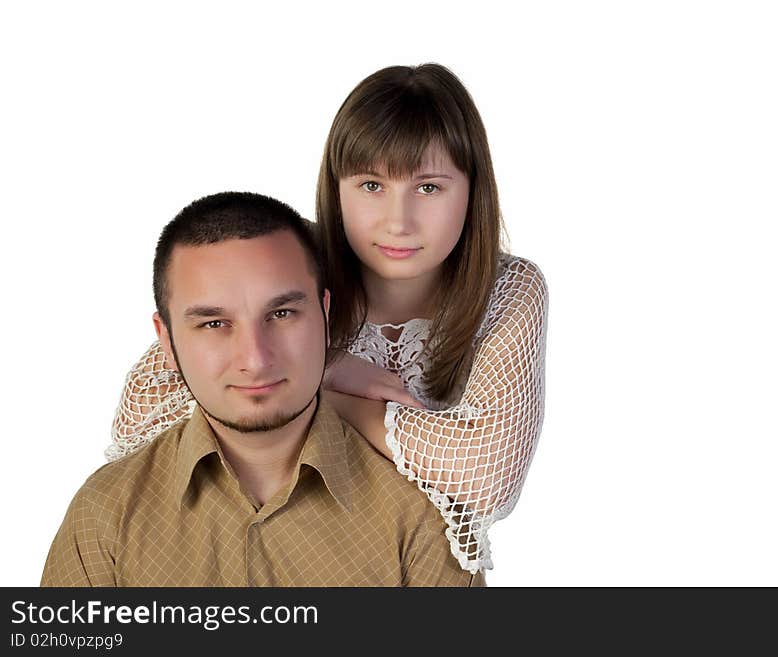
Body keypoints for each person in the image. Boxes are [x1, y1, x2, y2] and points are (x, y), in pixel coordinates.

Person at [109, 64, 548, 573]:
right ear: (337, 188)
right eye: (370, 185)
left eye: (428, 188)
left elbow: (486, 478)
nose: (398, 222)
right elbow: (142, 411)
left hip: (399, 563)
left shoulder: (509, 290)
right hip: (241, 539)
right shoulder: (292, 256)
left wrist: (333, 395)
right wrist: (327, 367)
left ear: (473, 191)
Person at [41, 192, 484, 587]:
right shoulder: (105, 515)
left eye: (283, 314)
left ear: (325, 314)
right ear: (167, 341)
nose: (255, 358)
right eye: (214, 324)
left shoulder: (426, 518)